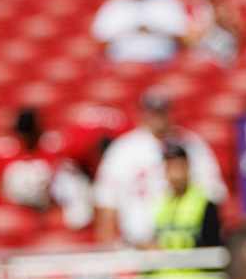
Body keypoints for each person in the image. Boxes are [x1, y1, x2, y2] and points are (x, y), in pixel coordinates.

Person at [92, 93, 225, 247]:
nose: (158, 117)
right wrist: (109, 246)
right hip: (136, 244)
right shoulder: (123, 149)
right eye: (153, 111)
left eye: (162, 111)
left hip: (184, 240)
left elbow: (213, 195)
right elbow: (106, 202)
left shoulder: (192, 144)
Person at [138, 143, 224, 279]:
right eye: (169, 167)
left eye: (178, 166)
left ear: (188, 167)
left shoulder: (205, 205)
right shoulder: (162, 205)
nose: (174, 173)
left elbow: (212, 250)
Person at [90, 0, 189, 65]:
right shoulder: (114, 5)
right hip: (122, 62)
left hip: (161, 61)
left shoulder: (167, 2)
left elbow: (183, 36)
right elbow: (100, 38)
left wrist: (152, 29)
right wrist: (131, 30)